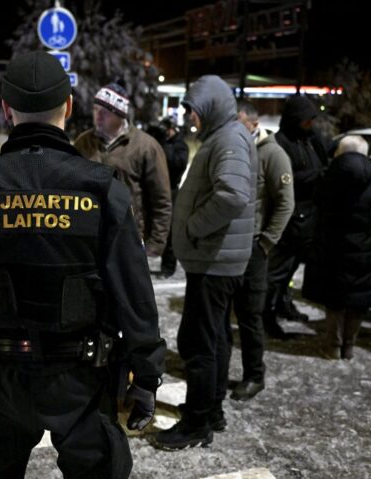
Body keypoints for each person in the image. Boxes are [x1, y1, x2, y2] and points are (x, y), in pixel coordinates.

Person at [0, 51, 166, 478]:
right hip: (82, 381)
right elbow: (134, 292)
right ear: (70, 105)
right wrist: (146, 374)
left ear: (5, 110)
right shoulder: (100, 188)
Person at [153, 75, 257, 450]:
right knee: (214, 338)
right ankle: (210, 410)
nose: (189, 118)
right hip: (216, 259)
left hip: (214, 259)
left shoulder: (228, 138)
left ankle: (197, 422)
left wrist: (193, 227)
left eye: (192, 110)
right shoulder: (225, 136)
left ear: (210, 106)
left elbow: (231, 196)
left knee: (198, 342)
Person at [304, 136, 371, 359]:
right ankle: (349, 346)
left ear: (340, 153)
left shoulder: (327, 178)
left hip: (334, 248)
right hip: (367, 249)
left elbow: (317, 204)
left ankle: (332, 346)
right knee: (358, 302)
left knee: (334, 301)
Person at [231, 100, 294, 401]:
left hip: (255, 246)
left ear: (254, 123)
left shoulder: (272, 153)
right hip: (231, 244)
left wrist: (267, 242)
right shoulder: (235, 148)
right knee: (227, 312)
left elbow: (285, 202)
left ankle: (254, 375)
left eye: (239, 121)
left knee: (249, 314)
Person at [74, 81, 172, 257]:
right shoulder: (83, 143)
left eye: (105, 112)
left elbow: (161, 201)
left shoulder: (146, 147)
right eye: (96, 110)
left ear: (120, 115)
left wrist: (154, 246)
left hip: (129, 242)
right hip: (89, 240)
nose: (98, 117)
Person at [263, 95, 329, 333]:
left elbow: (324, 162)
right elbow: (283, 180)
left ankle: (283, 303)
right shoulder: (281, 143)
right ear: (294, 119)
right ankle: (266, 314)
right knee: (277, 270)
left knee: (290, 270)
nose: (310, 124)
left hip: (309, 217)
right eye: (306, 120)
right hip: (288, 217)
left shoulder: (311, 140)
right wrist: (317, 177)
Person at [149, 118, 190, 277]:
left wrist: (164, 146)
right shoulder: (160, 142)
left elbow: (178, 164)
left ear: (172, 129)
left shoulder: (180, 146)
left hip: (171, 191)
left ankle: (168, 267)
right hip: (156, 189)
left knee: (169, 230)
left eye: (166, 129)